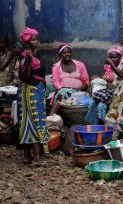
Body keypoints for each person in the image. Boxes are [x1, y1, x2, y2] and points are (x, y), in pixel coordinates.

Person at [17, 27, 49, 164]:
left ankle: (28, 156)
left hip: (35, 90)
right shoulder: (25, 56)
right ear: (27, 42)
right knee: (32, 121)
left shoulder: (30, 55)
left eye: (37, 39)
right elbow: (24, 76)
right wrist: (29, 60)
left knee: (29, 121)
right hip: (29, 92)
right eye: (34, 39)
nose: (37, 41)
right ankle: (35, 157)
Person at [50, 43, 90, 112]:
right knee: (60, 100)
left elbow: (86, 80)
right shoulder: (56, 66)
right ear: (60, 54)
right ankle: (50, 118)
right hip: (63, 91)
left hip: (79, 91)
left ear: (71, 53)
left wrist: (78, 89)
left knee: (86, 102)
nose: (66, 54)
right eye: (64, 53)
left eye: (68, 52)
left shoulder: (80, 64)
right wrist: (62, 90)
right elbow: (55, 81)